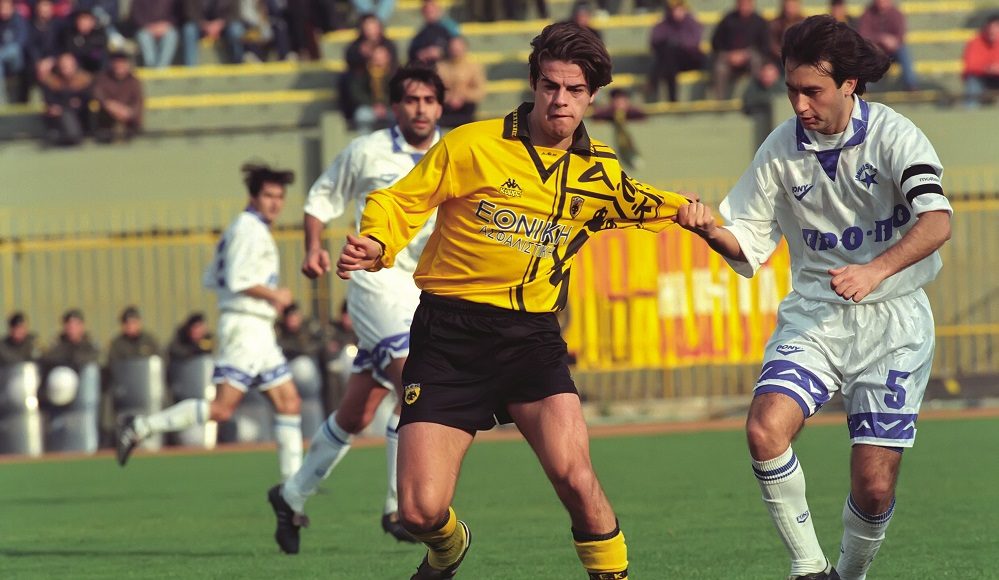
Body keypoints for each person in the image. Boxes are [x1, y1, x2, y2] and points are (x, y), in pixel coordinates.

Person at [335, 22, 691, 579]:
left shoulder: (599, 171)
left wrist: (702, 219)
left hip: (530, 339)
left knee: (576, 478)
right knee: (418, 512)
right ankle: (448, 549)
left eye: (574, 90)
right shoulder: (472, 144)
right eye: (550, 86)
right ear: (533, 84)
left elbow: (647, 201)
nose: (560, 99)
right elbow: (399, 201)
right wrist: (378, 243)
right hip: (448, 337)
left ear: (592, 96)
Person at [674, 15, 952, 580]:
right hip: (816, 316)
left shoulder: (895, 136)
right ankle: (808, 569)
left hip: (893, 323)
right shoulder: (781, 147)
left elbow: (937, 221)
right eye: (791, 90)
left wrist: (875, 271)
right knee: (763, 430)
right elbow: (748, 240)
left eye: (812, 91)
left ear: (849, 84)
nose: (800, 105)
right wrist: (708, 230)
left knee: (873, 487)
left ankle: (849, 575)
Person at [267, 64, 445, 555]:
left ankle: (290, 495)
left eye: (429, 100)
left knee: (358, 411)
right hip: (374, 281)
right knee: (416, 383)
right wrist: (312, 248)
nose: (421, 109)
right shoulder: (367, 151)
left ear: (441, 106)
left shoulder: (454, 152)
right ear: (395, 106)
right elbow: (321, 200)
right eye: (411, 99)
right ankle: (398, 508)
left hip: (424, 288)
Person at [116, 164, 304, 483]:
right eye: (268, 195)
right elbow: (238, 278)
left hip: (257, 328)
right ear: (253, 197)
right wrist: (275, 294)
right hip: (245, 327)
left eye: (280, 196)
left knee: (289, 402)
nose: (275, 203)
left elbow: (211, 277)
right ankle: (140, 427)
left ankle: (294, 485)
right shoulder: (248, 229)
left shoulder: (246, 227)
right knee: (221, 409)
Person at [646, 0, 704, 103]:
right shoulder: (664, 23)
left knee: (669, 54)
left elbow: (693, 44)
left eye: (679, 9)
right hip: (671, 62)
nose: (676, 12)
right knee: (670, 58)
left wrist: (676, 42)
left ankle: (653, 82)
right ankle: (672, 99)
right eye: (674, 10)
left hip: (689, 59)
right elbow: (654, 42)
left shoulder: (691, 23)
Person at [710, 0, 768, 99]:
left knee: (756, 60)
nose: (744, 7)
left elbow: (764, 46)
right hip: (729, 56)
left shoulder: (759, 21)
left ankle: (756, 97)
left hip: (750, 56)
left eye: (747, 4)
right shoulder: (727, 20)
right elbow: (716, 42)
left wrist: (745, 54)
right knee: (720, 68)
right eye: (742, 4)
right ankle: (720, 101)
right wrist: (730, 55)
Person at [856, 0, 917, 91]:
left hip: (893, 51)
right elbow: (863, 35)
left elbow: (900, 36)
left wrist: (893, 41)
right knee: (865, 53)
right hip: (875, 51)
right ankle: (864, 86)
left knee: (903, 50)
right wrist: (881, 38)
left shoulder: (896, 14)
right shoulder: (867, 14)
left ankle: (911, 84)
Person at [435, 35, 485, 128]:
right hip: (445, 109)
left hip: (466, 109)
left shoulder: (473, 67)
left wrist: (462, 96)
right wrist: (449, 98)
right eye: (453, 49)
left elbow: (480, 91)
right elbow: (435, 90)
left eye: (458, 49)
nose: (456, 52)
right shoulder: (440, 67)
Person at [93, 50, 143, 142]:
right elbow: (97, 94)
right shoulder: (102, 78)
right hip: (107, 121)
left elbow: (138, 102)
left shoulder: (134, 81)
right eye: (116, 62)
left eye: (122, 63)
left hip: (129, 121)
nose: (119, 65)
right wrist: (110, 105)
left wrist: (128, 112)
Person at [961, 14, 999, 108]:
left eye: (996, 28)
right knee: (973, 80)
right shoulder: (975, 42)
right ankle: (971, 108)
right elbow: (970, 66)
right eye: (990, 28)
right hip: (982, 77)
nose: (992, 31)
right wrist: (988, 68)